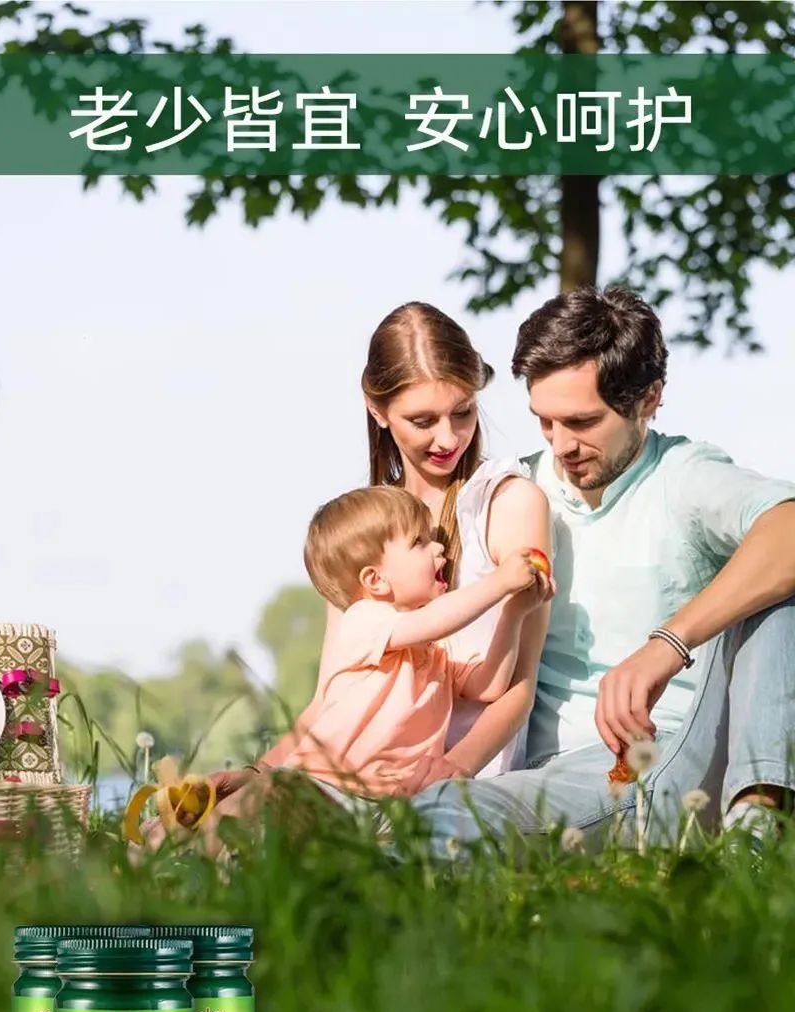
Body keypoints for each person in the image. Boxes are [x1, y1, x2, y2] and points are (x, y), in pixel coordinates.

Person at [409, 285, 795, 852]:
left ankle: (754, 837)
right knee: (431, 814)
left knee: (777, 578)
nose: (562, 445)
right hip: (551, 773)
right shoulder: (517, 491)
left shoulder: (682, 476)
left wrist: (666, 643)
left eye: (582, 422)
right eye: (544, 421)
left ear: (648, 399)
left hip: (675, 751)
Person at [212, 302, 553, 812]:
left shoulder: (508, 500)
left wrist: (450, 776)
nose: (449, 437)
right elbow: (333, 698)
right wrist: (264, 769)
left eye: (463, 411)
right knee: (208, 821)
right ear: (377, 410)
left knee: (254, 826)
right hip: (351, 784)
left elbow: (515, 687)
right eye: (423, 420)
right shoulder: (367, 535)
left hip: (455, 786)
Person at [246, 485, 551, 803]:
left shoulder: (436, 649)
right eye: (419, 542)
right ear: (375, 580)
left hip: (389, 800)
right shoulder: (362, 621)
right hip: (326, 784)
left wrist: (514, 613)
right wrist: (500, 582)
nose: (438, 549)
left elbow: (488, 687)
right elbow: (434, 619)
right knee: (277, 823)